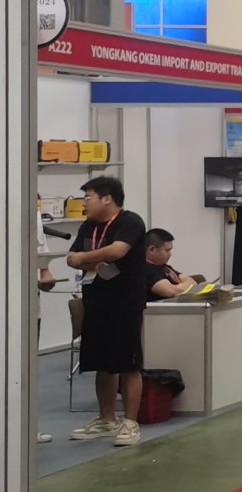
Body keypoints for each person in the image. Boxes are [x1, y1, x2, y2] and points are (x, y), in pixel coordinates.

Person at [65, 176, 148, 448]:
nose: (84, 203)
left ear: (107, 198)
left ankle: (130, 422)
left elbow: (117, 251)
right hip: (95, 301)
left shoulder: (130, 222)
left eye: (88, 198)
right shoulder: (88, 225)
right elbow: (71, 257)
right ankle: (106, 419)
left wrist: (84, 257)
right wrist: (83, 258)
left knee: (128, 364)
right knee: (103, 363)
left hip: (125, 303)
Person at [140, 229, 204, 301]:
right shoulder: (145, 269)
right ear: (152, 249)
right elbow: (171, 291)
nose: (170, 254)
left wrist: (190, 287)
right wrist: (190, 287)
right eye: (167, 250)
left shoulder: (165, 267)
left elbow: (191, 281)